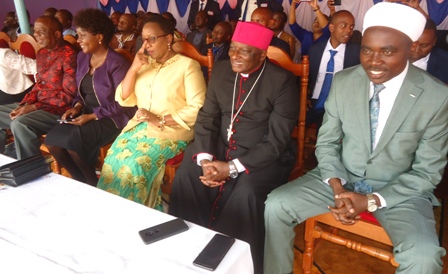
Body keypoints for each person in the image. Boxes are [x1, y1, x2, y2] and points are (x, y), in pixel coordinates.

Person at [264, 3, 448, 274]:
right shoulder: (345, 81)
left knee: (423, 257)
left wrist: (371, 200)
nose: (374, 61)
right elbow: (326, 143)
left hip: (399, 190)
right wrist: (338, 187)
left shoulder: (436, 96)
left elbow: (427, 172)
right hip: (341, 176)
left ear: (410, 50)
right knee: (276, 205)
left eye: (387, 51)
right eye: (367, 50)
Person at [169, 21, 299, 274]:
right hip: (219, 146)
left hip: (263, 154)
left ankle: (234, 263)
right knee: (188, 173)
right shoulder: (221, 71)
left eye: (244, 51)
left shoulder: (282, 81)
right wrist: (206, 159)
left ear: (262, 54)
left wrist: (231, 167)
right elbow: (207, 116)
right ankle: (187, 248)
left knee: (247, 190)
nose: (235, 56)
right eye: (232, 49)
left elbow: (276, 141)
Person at [97, 15, 206, 211]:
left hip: (171, 132)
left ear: (169, 39)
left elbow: (198, 107)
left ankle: (141, 217)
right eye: (144, 39)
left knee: (134, 165)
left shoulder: (187, 66)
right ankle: (111, 214)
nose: (146, 44)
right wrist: (133, 68)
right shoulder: (144, 65)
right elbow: (123, 97)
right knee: (113, 159)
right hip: (138, 128)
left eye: (152, 39)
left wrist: (160, 119)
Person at [45, 8, 136, 187]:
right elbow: (81, 92)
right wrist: (77, 107)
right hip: (86, 113)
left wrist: (92, 115)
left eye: (82, 35)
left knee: (73, 142)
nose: (78, 40)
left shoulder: (117, 64)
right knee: (52, 140)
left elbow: (124, 103)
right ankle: (80, 180)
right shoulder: (82, 57)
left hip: (112, 117)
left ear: (99, 37)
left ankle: (92, 183)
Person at [0, 16, 77, 159]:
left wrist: (34, 107)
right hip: (38, 105)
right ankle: (3, 161)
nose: (36, 35)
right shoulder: (42, 53)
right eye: (35, 31)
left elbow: (69, 95)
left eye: (41, 32)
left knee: (20, 124)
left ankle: (29, 168)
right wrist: (26, 104)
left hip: (59, 110)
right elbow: (39, 85)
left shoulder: (69, 55)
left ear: (56, 34)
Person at [307, 10, 360, 131]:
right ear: (331, 27)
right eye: (344, 26)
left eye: (351, 27)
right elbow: (305, 77)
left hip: (340, 105)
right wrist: (304, 97)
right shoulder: (315, 50)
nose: (349, 30)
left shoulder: (356, 52)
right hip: (314, 101)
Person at [410, 18, 448, 84]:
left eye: (424, 45)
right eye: (412, 45)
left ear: (434, 42)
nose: (416, 50)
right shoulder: (390, 56)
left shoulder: (445, 62)